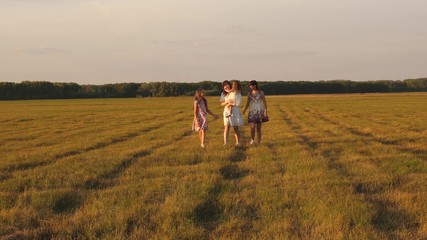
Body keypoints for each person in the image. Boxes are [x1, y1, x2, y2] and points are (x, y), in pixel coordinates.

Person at [243, 80, 268, 145]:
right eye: (250, 85)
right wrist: (244, 110)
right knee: (252, 127)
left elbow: (264, 102)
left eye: (252, 85)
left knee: (259, 128)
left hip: (260, 110)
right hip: (252, 111)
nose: (251, 86)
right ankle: (252, 140)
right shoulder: (249, 94)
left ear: (255, 85)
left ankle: (259, 142)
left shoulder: (261, 92)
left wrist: (265, 110)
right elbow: (247, 103)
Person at [220, 80, 244, 146]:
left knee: (235, 127)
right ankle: (225, 142)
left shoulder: (236, 92)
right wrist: (227, 102)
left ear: (230, 85)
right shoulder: (223, 94)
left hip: (235, 110)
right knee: (226, 126)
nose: (226, 86)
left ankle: (238, 142)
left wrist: (231, 104)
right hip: (227, 111)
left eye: (227, 84)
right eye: (224, 85)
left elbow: (239, 103)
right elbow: (222, 104)